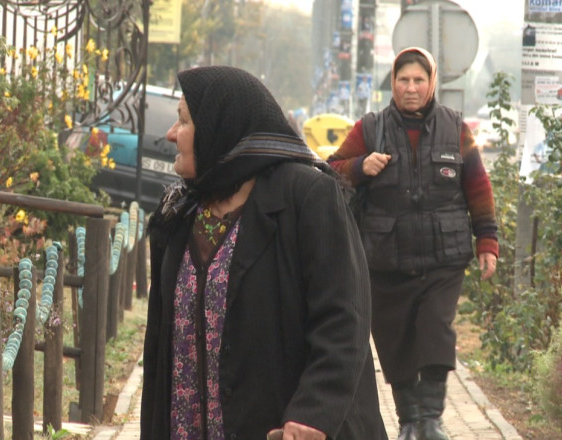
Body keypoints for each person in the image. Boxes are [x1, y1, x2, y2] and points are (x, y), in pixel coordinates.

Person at [141, 66, 387, 440]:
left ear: (221, 127)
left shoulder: (306, 196)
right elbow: (161, 352)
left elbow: (344, 317)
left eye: (184, 121)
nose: (171, 133)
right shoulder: (180, 212)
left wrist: (313, 413)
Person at [327, 47, 499, 440]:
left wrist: (487, 241)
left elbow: (478, 186)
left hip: (444, 257)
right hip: (385, 257)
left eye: (419, 80)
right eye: (403, 79)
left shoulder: (455, 128)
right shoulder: (370, 129)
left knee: (435, 327)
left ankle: (431, 421)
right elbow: (331, 171)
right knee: (395, 337)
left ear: (432, 83)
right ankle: (409, 422)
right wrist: (360, 166)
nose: (411, 87)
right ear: (393, 83)